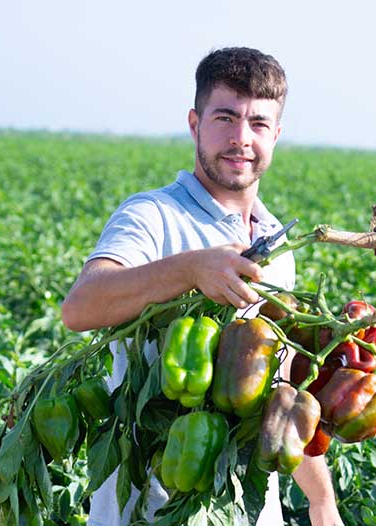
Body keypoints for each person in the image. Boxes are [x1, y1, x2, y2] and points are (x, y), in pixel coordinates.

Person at [62, 47, 344, 526]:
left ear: (275, 135)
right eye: (225, 118)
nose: (240, 138)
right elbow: (81, 306)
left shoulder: (277, 245)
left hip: (249, 509)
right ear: (194, 124)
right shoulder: (152, 216)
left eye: (258, 123)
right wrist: (190, 269)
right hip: (148, 510)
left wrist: (322, 501)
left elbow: (279, 391)